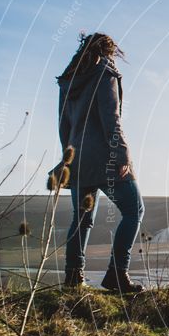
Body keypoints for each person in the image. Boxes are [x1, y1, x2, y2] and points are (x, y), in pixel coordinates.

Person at [56, 32, 145, 292]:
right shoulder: (104, 73)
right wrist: (122, 156)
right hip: (104, 156)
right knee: (134, 210)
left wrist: (68, 159)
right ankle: (117, 273)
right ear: (108, 51)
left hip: (77, 158)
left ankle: (73, 277)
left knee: (81, 218)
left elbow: (64, 127)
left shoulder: (68, 82)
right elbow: (111, 119)